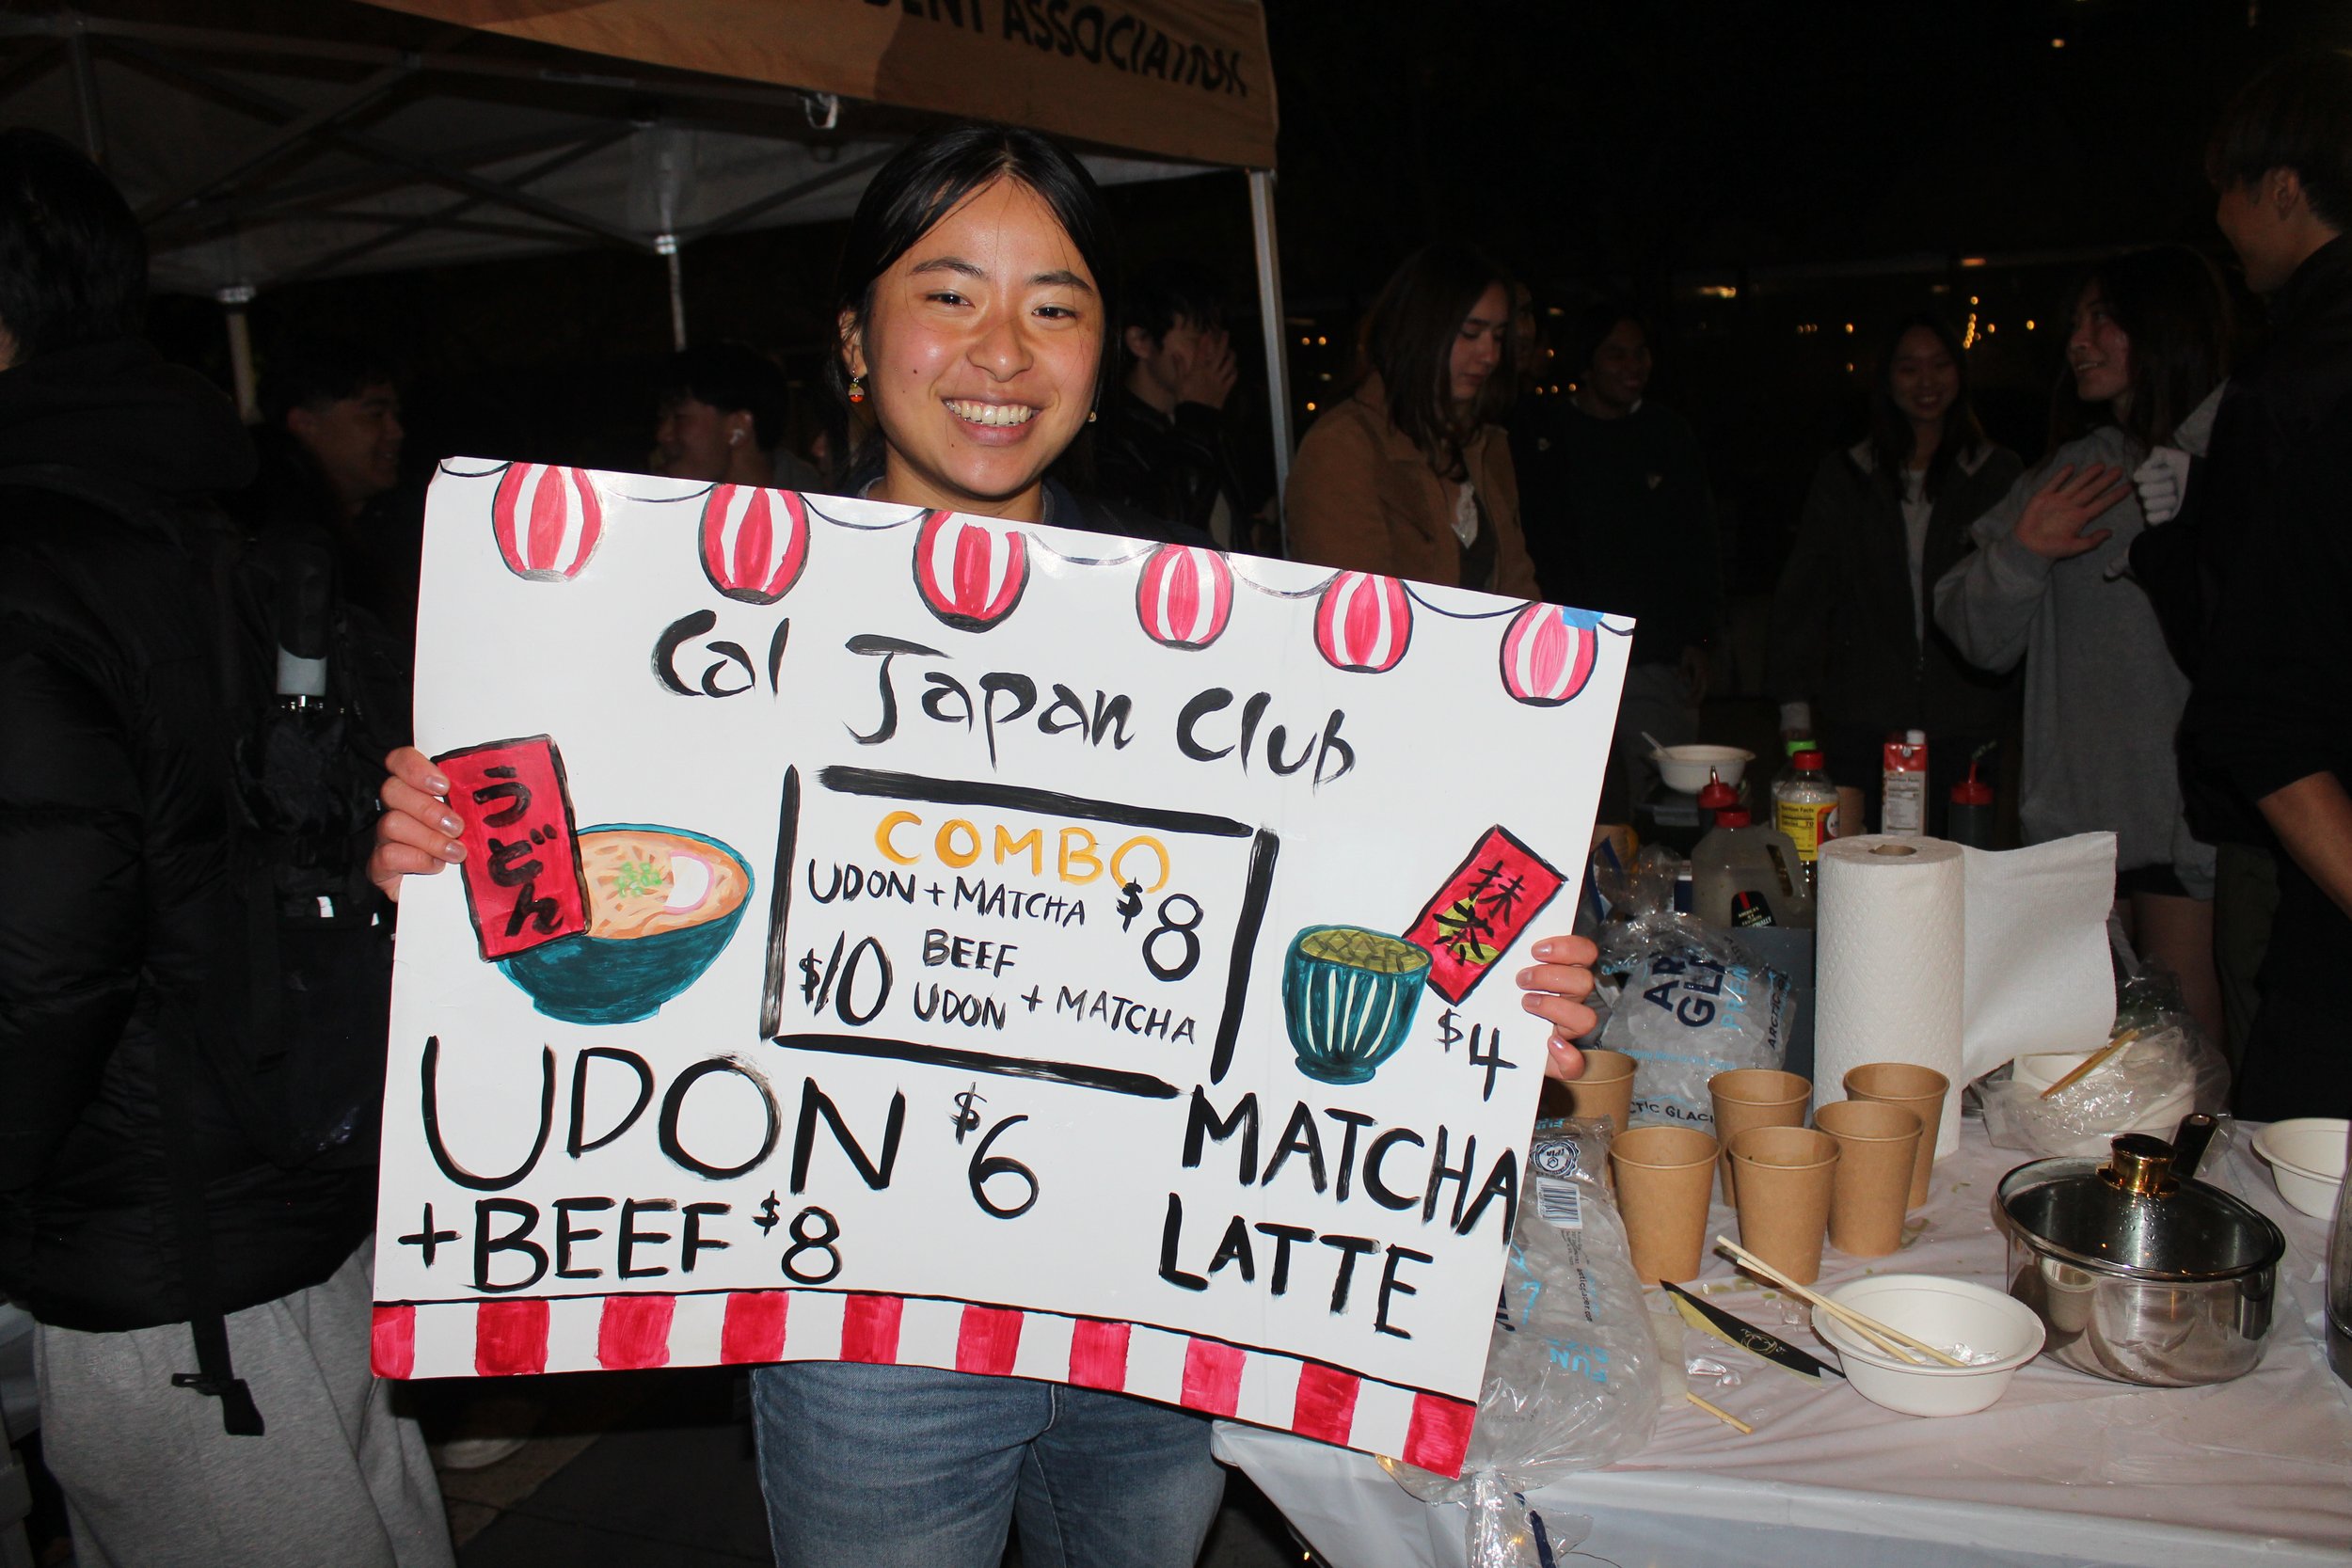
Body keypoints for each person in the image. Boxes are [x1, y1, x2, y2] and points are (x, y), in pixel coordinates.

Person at [363, 120, 1604, 1568]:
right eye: (949, 293)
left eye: (1054, 305)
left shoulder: (1215, 631)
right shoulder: (680, 621)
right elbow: (577, 891)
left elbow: (1345, 910)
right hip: (868, 1334)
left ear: (1100, 347)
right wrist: (445, 865)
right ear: (855, 332)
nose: (1001, 351)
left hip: (1151, 1315)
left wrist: (1503, 994)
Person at [0, 129, 451, 1568]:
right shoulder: (233, 544)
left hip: (160, 1265)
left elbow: (42, 960)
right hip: (317, 1192)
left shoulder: (28, 570)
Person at [1932, 246, 2232, 1045]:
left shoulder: (2237, 455)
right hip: (2075, 829)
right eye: (2075, 323)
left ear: (2164, 327)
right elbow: (1972, 631)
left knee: (2187, 1060)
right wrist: (2023, 551)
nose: (2079, 341)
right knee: (2078, 1064)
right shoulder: (2075, 471)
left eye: (2103, 319)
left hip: (2187, 824)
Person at [2138, 49, 2352, 1077]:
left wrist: (2170, 548)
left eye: (2224, 188)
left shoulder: (2294, 383)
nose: (2220, 220)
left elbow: (2253, 701)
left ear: (2280, 188)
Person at [1767, 315, 2024, 832]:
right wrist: (1795, 716)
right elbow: (1807, 594)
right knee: (1866, 869)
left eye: (1940, 365)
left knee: (1962, 870)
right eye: (1909, 368)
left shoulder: (1998, 473)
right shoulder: (1846, 475)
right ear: (1886, 379)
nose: (1926, 382)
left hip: (1968, 718)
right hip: (1863, 720)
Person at [1516, 305, 1721, 823]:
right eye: (1617, 353)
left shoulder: (1668, 436)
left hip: (1654, 658)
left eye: (1641, 353)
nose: (1633, 365)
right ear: (1586, 364)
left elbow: (1699, 545)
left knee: (1668, 807)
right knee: (1575, 810)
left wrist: (1700, 639)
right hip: (1567, 654)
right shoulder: (1543, 438)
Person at [1283, 243, 1538, 598]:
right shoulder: (1343, 447)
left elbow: (1519, 587)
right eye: (1471, 333)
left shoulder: (1487, 445)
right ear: (1422, 329)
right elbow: (1354, 613)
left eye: (1498, 336)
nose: (1490, 355)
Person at [233, 336, 421, 648]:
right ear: (305, 424)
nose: (396, 432)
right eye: (375, 414)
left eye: (395, 415)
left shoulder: (402, 522)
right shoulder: (269, 542)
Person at [1092, 257, 1256, 548]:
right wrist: (1199, 415)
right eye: (1196, 338)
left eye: (1216, 335)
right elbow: (1163, 540)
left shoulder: (1214, 419)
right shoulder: (1107, 436)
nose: (1212, 351)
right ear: (1141, 341)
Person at [650, 340, 823, 492]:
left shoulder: (822, 519)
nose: (663, 435)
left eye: (679, 417)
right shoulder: (659, 516)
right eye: (662, 419)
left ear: (738, 427)